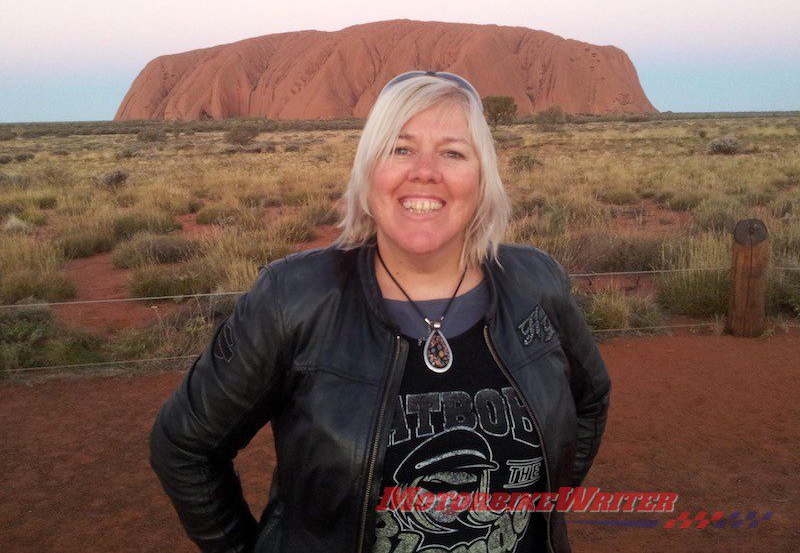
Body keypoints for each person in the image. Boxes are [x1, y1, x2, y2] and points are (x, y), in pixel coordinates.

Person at [150, 71, 612, 553]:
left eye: (453, 152)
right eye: (400, 148)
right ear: (369, 170)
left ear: (482, 177)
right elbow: (184, 446)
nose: (425, 171)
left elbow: (590, 400)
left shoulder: (536, 285)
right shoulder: (294, 300)